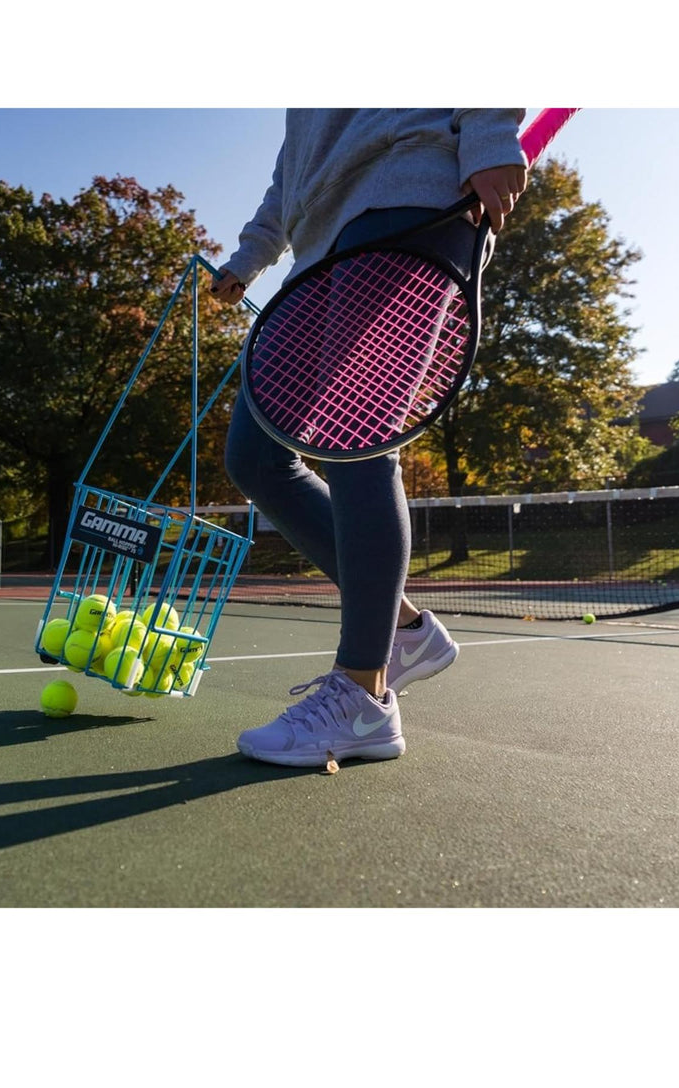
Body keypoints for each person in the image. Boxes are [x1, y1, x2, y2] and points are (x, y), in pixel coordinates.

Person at [211, 109, 529, 767]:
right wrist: (249, 257)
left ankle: (363, 696)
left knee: (359, 440)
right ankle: (406, 631)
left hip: (406, 192)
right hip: (318, 244)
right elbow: (290, 174)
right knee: (255, 455)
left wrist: (493, 133)